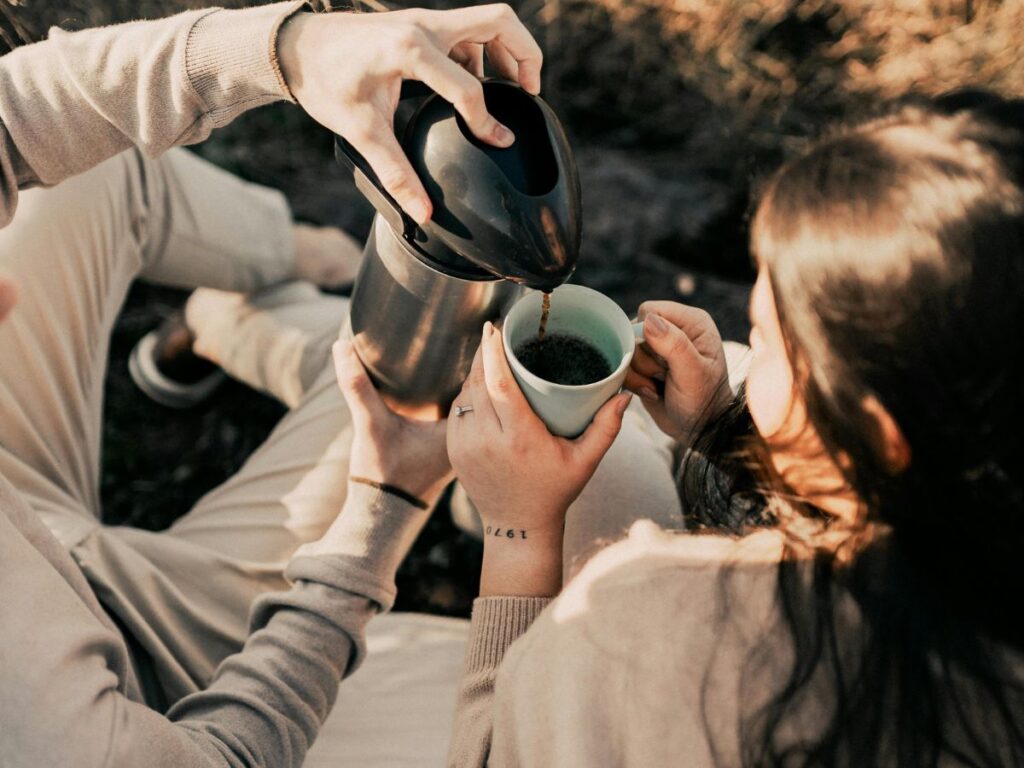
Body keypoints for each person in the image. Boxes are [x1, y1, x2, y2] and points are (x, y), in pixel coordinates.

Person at [336, 96, 1024, 764]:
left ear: (875, 438)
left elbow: (488, 756)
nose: (755, 351)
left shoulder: (646, 619)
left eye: (769, 338)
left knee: (349, 713)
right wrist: (727, 431)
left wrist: (518, 530)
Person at [0, 2, 546, 765]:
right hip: (122, 682)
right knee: (535, 701)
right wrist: (382, 513)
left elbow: (13, 120)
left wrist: (290, 49)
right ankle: (235, 324)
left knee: (85, 173)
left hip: (26, 520)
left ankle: (283, 270)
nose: (7, 297)